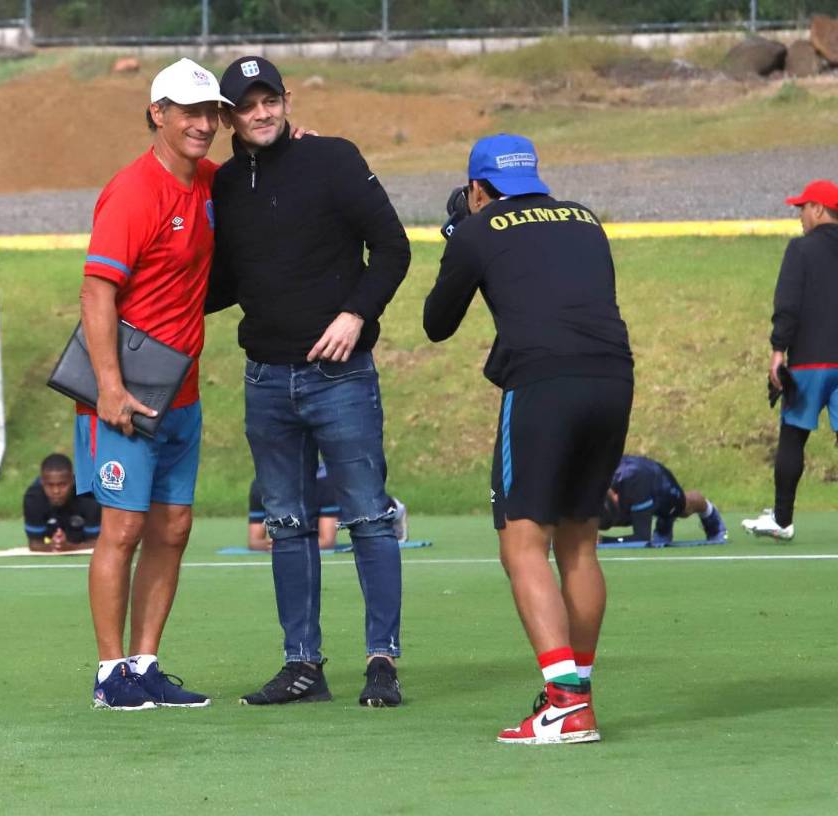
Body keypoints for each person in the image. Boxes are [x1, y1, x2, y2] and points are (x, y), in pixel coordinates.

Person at [208, 56, 411, 708]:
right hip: (266, 379)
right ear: (227, 117)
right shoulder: (226, 185)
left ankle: (382, 661)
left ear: (285, 100)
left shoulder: (334, 159)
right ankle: (303, 666)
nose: (261, 112)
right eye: (246, 104)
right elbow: (225, 282)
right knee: (287, 525)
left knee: (368, 519)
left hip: (339, 377)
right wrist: (141, 296)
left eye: (270, 99)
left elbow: (393, 247)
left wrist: (356, 314)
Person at [422, 134, 634, 744]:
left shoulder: (478, 227)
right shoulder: (585, 219)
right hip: (613, 377)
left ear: (477, 188)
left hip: (544, 383)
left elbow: (437, 324)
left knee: (522, 543)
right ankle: (577, 695)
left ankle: (565, 703)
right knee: (579, 543)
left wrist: (459, 241)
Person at [75, 58, 232, 710]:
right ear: (157, 114)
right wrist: (108, 386)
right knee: (122, 530)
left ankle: (145, 663)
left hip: (183, 393)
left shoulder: (209, 183)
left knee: (173, 527)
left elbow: (260, 167)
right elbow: (96, 290)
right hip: (128, 395)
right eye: (188, 112)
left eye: (210, 113)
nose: (203, 124)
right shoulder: (134, 191)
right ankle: (111, 673)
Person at [742, 179, 838, 541]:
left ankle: (782, 519)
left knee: (793, 437)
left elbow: (788, 305)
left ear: (818, 208)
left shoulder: (801, 250)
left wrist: (778, 350)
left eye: (802, 207)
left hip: (811, 361)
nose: (799, 215)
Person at [248, 464, 410, 551]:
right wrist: (267, 545)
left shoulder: (323, 484)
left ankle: (396, 508)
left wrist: (289, 544)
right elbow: (254, 540)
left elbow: (327, 541)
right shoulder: (259, 486)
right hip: (311, 507)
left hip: (342, 488)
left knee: (365, 509)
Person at [599, 455, 725, 545]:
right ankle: (664, 517)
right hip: (629, 485)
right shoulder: (587, 485)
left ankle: (710, 514)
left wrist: (604, 540)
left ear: (615, 496)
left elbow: (642, 538)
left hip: (657, 482)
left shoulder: (636, 482)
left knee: (683, 509)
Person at [23, 453, 101, 552]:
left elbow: (97, 542)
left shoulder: (88, 496)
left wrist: (70, 547)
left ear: (72, 480)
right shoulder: (33, 498)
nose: (56, 491)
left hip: (80, 537)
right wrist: (53, 546)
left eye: (62, 484)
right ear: (42, 482)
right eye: (50, 485)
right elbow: (35, 543)